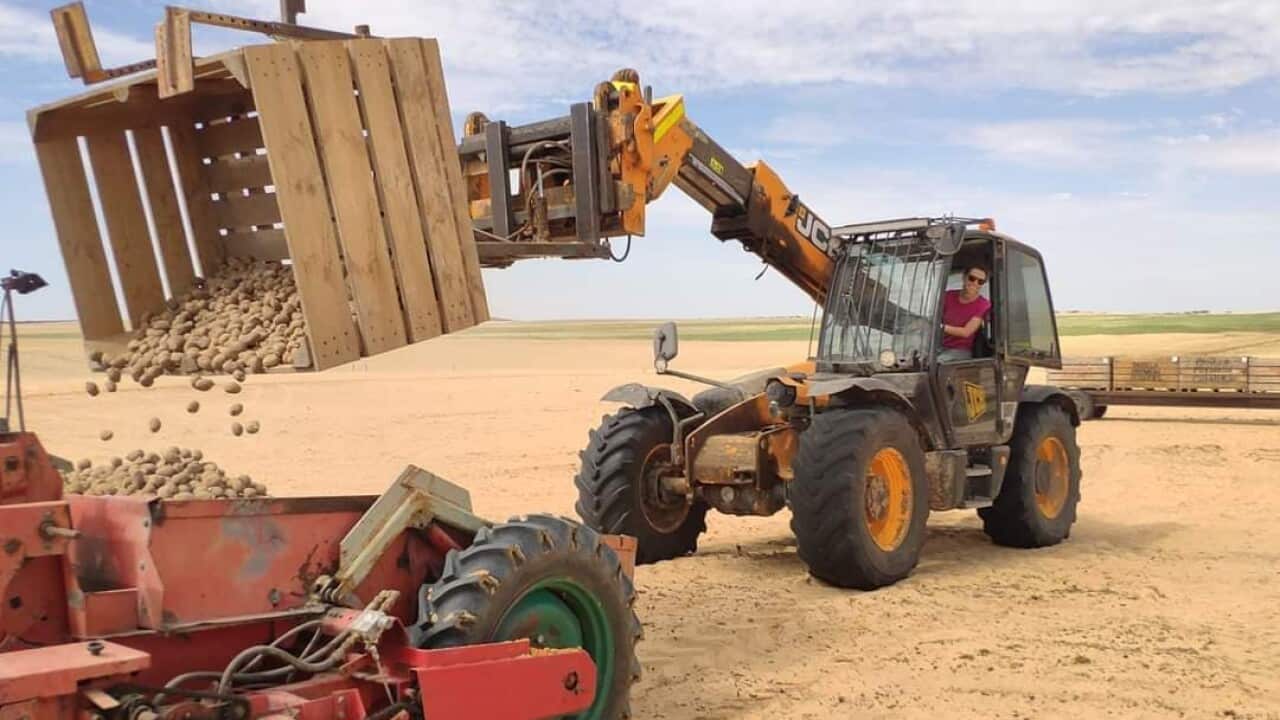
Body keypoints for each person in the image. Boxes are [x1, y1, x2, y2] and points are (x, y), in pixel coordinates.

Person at [938, 265, 991, 362]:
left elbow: (966, 332)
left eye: (980, 281)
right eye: (972, 278)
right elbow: (934, 316)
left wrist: (940, 327)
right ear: (964, 277)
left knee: (935, 364)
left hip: (960, 351)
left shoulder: (983, 304)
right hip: (938, 346)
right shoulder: (948, 296)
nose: (975, 283)